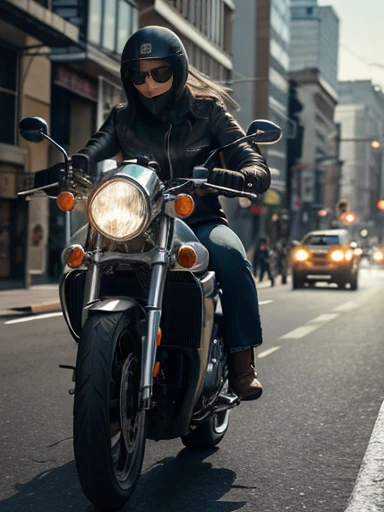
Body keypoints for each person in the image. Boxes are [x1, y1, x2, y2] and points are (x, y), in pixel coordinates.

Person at [72, 26, 272, 400]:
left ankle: (243, 364)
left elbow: (250, 159)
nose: (149, 84)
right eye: (139, 74)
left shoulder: (208, 111)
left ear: (177, 71)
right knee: (84, 256)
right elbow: (93, 148)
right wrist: (75, 164)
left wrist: (244, 174)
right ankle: (100, 363)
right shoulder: (121, 118)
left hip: (199, 220)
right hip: (137, 224)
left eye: (159, 73)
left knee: (231, 257)